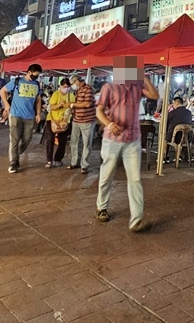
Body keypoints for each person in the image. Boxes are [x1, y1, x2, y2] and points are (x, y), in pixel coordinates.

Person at [95, 56, 159, 231]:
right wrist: (109, 123)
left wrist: (143, 76)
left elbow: (154, 95)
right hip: (112, 138)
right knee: (107, 174)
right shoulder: (109, 87)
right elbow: (99, 111)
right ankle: (102, 207)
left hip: (133, 138)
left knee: (135, 179)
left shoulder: (137, 87)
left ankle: (136, 219)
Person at [0, 64, 43, 174]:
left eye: (37, 75)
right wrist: (6, 105)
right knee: (15, 139)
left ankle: (15, 155)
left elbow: (38, 100)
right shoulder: (17, 81)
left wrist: (38, 113)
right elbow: (2, 91)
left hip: (29, 116)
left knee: (27, 139)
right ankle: (13, 163)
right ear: (29, 72)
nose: (36, 77)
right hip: (15, 115)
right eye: (35, 75)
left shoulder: (37, 84)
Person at [43, 78, 75, 168]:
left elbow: (72, 106)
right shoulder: (56, 94)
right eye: (64, 86)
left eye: (68, 87)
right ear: (60, 86)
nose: (66, 88)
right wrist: (60, 105)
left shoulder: (71, 95)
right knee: (50, 139)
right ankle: (49, 160)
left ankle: (58, 159)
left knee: (62, 141)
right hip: (52, 120)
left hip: (64, 121)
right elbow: (51, 107)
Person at [68, 75, 96, 173]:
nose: (72, 86)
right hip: (76, 120)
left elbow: (87, 104)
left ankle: (84, 165)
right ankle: (74, 162)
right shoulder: (78, 90)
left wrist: (72, 105)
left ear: (77, 81)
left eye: (72, 83)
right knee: (74, 142)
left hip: (87, 121)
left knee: (86, 143)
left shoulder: (88, 89)